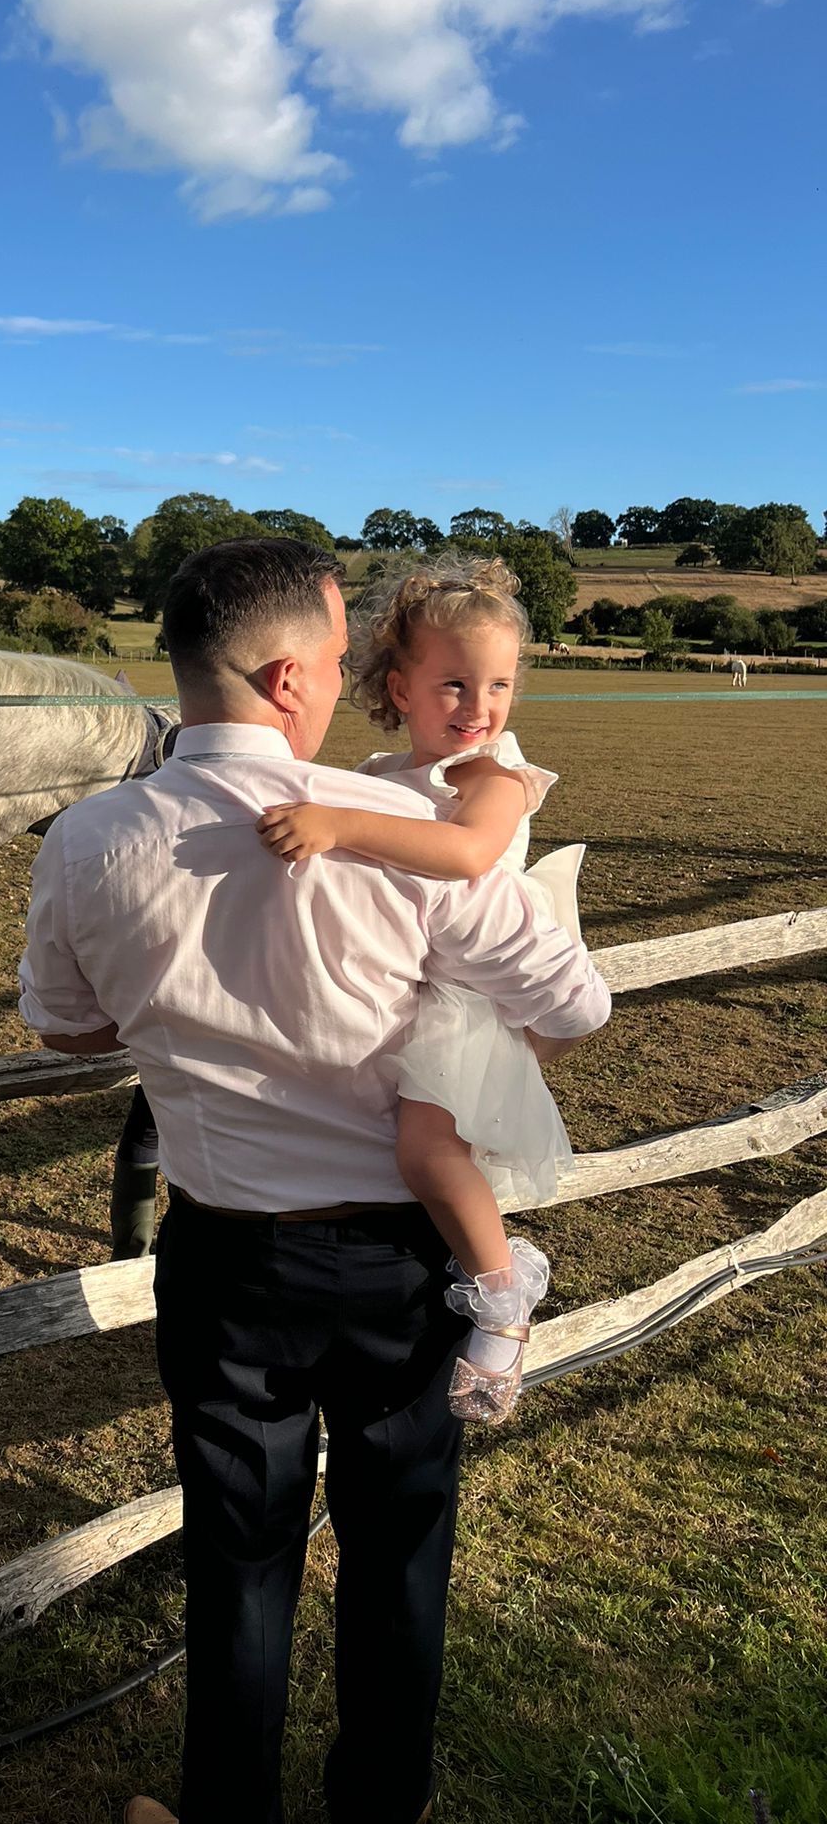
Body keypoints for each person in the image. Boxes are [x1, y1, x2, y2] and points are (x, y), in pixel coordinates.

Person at [18, 537, 610, 1824]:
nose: (349, 685)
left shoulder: (89, 838)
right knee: (400, 1551)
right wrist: (469, 1063)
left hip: (227, 1255)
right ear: (290, 677)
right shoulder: (402, 833)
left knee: (242, 1561)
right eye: (344, 664)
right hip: (404, 1262)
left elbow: (64, 1028)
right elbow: (577, 1000)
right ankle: (380, 1812)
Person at [255, 556, 585, 1422]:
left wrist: (341, 824)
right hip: (403, 984)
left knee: (427, 1151)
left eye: (500, 685)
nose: (479, 709)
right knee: (404, 1142)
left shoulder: (491, 780)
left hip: (465, 996)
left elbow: (467, 857)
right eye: (454, 685)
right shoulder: (374, 768)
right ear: (398, 688)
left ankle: (503, 1297)